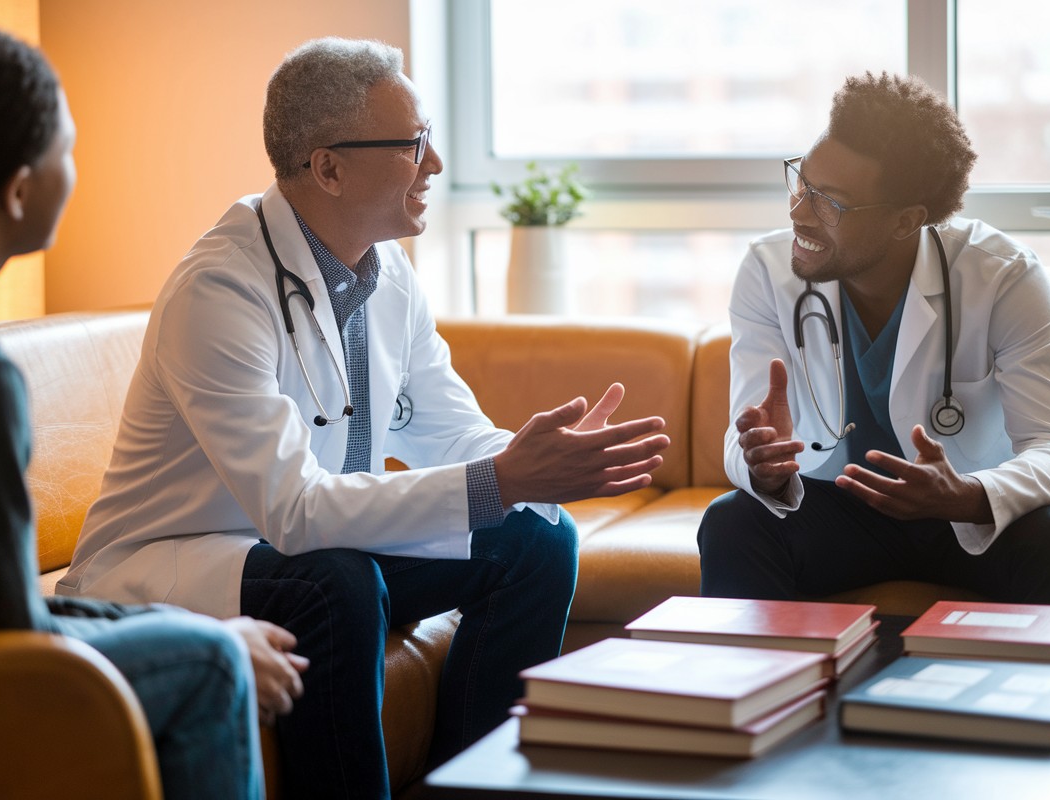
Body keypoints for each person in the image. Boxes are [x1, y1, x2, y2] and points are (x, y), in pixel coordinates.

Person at [57, 37, 669, 799]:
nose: (436, 165)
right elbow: (294, 510)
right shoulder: (220, 288)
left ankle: (473, 788)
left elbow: (450, 430)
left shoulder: (388, 273)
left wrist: (535, 462)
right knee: (333, 583)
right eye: (414, 145)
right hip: (174, 564)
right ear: (330, 168)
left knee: (538, 537)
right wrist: (498, 478)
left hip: (309, 550)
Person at [0, 25, 307, 800]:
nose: (78, 168)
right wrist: (210, 639)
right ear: (19, 191)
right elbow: (8, 646)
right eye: (69, 147)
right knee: (211, 668)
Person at [697, 72, 1050, 607]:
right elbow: (744, 439)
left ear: (907, 220)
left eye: (830, 202)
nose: (798, 211)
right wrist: (763, 468)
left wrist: (966, 495)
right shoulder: (767, 270)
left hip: (967, 505)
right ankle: (749, 691)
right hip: (842, 507)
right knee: (733, 522)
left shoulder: (1003, 275)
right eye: (802, 181)